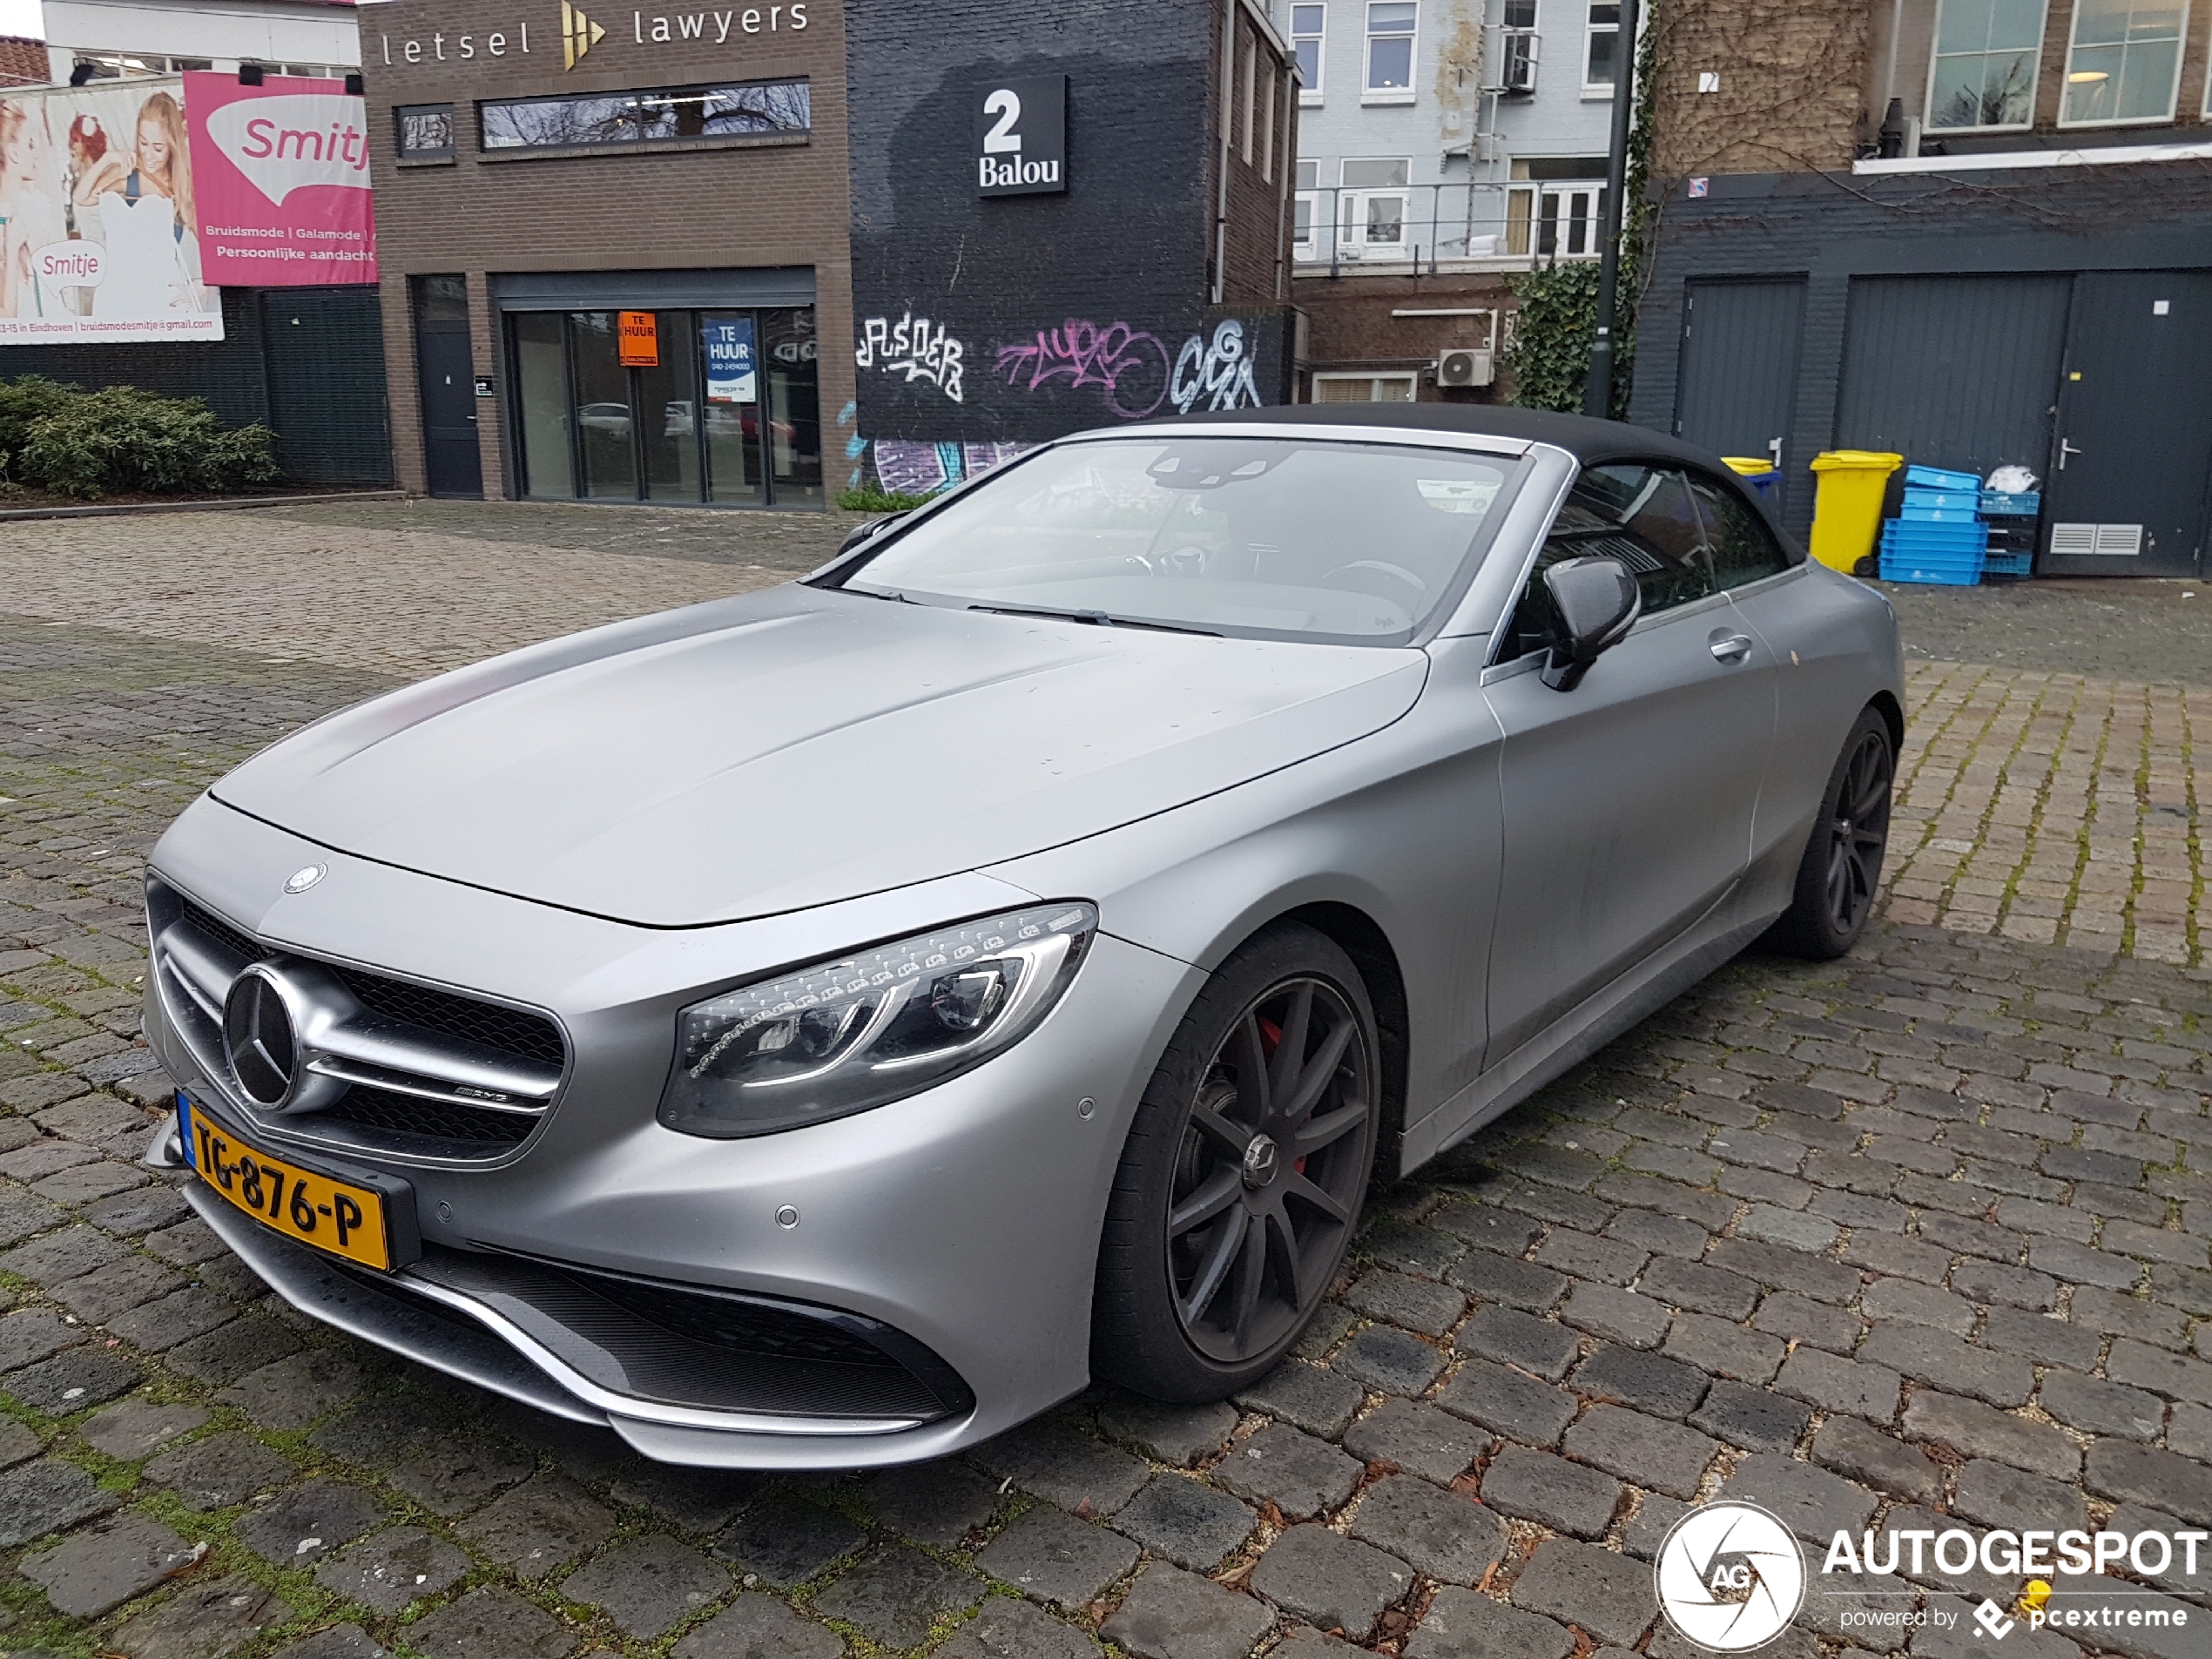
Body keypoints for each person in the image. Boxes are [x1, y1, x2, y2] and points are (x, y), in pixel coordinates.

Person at [91, 90, 208, 318]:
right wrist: (106, 159)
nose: (149, 154)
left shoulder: (181, 185)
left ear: (172, 145)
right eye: (143, 143)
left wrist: (203, 286)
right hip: (114, 296)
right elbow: (83, 198)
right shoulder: (123, 175)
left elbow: (213, 245)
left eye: (158, 147)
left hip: (161, 298)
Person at [0, 100, 67, 320]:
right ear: (13, 153)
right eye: (30, 145)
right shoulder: (7, 220)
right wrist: (11, 248)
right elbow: (7, 316)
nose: (36, 154)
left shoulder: (36, 207)